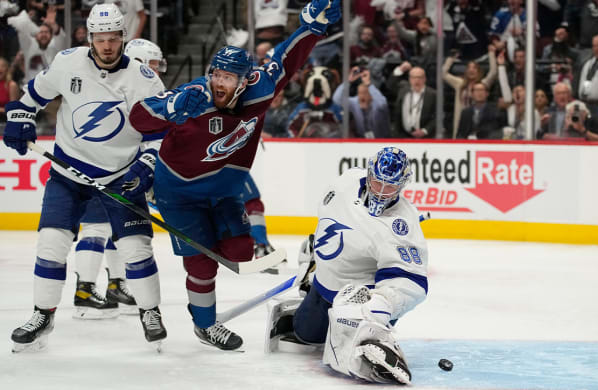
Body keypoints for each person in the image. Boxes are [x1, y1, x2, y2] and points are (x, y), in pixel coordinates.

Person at [127, 0, 341, 351]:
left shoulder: (261, 87)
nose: (219, 83)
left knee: (240, 252)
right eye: (216, 75)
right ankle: (206, 325)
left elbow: (286, 57)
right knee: (202, 263)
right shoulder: (194, 96)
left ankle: (206, 311)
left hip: (224, 192)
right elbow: (140, 118)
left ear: (244, 81)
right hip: (178, 193)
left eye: (227, 78)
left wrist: (311, 28)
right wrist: (169, 108)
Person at [4, 3, 167, 352]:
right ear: (89, 37)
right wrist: (19, 116)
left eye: (113, 38)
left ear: (123, 36)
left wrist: (147, 164)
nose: (106, 46)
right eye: (99, 38)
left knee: (136, 249)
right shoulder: (68, 62)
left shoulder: (145, 80)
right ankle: (42, 314)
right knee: (51, 243)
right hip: (67, 173)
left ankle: (149, 312)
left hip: (121, 177)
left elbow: (159, 135)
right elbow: (32, 95)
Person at [265, 147, 428, 385]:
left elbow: (411, 280)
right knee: (306, 335)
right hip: (324, 284)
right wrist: (317, 252)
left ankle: (375, 336)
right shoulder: (346, 182)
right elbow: (328, 217)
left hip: (361, 299)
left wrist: (381, 305)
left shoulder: (402, 225)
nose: (381, 192)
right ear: (368, 173)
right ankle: (311, 293)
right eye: (376, 182)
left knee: (354, 351)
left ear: (402, 185)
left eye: (390, 186)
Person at [70, 38, 168, 320]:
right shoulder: (117, 90)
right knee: (96, 228)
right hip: (100, 168)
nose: (155, 70)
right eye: (150, 64)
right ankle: (85, 290)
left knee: (118, 230)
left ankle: (115, 284)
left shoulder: (143, 90)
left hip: (124, 173)